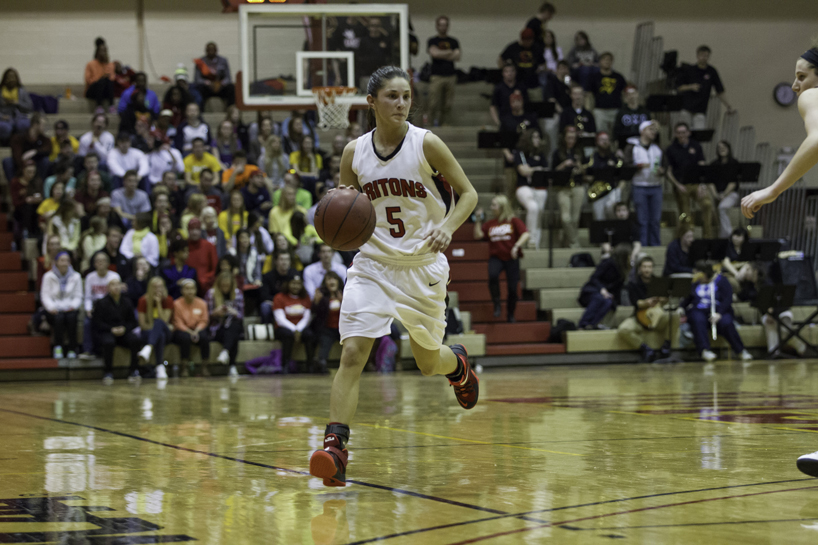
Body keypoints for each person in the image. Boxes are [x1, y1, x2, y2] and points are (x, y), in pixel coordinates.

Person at [308, 66, 479, 488]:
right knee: (352, 354)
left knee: (425, 363)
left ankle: (456, 364)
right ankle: (335, 448)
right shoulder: (354, 153)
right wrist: (338, 229)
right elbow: (346, 205)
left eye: (406, 96)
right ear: (372, 102)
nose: (401, 103)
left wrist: (448, 227)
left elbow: (470, 194)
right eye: (391, 96)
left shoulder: (427, 144)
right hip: (372, 266)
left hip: (422, 267)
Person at [744, 45, 818, 221]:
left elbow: (816, 139)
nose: (794, 86)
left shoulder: (811, 95)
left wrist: (774, 189)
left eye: (802, 77)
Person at [473, 195, 529, 322]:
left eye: (494, 205)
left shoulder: (513, 221)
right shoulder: (490, 224)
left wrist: (516, 246)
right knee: (492, 276)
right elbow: (478, 235)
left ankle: (510, 313)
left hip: (511, 257)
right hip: (496, 257)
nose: (491, 207)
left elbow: (525, 233)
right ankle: (497, 303)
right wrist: (477, 220)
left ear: (502, 207)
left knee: (513, 288)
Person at [682, 260, 751, 363]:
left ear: (705, 273)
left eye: (698, 273)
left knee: (726, 322)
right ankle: (704, 350)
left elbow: (727, 300)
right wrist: (681, 307)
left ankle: (740, 350)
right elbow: (687, 298)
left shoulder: (722, 281)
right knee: (697, 319)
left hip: (719, 311)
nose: (696, 275)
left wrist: (719, 313)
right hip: (700, 310)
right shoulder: (695, 283)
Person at [665, 122, 713, 238]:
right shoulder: (671, 149)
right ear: (675, 134)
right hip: (681, 185)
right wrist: (677, 185)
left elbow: (702, 165)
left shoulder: (696, 146)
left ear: (688, 133)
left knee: (707, 204)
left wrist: (702, 184)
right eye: (678, 133)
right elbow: (668, 171)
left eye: (683, 132)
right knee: (685, 213)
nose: (681, 135)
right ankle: (687, 237)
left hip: (696, 183)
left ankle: (707, 236)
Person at [625, 120, 664, 246]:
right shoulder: (632, 147)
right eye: (650, 129)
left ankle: (655, 245)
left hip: (656, 186)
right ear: (642, 131)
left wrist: (662, 170)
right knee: (642, 219)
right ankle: (643, 245)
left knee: (655, 219)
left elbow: (666, 164)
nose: (653, 132)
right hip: (639, 186)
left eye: (654, 130)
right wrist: (637, 167)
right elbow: (626, 165)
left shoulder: (657, 147)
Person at [676, 45, 732, 129]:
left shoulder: (711, 71)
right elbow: (679, 87)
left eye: (706, 56)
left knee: (699, 133)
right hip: (686, 109)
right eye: (702, 55)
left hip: (700, 110)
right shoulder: (690, 70)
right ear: (697, 56)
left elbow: (720, 90)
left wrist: (728, 105)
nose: (704, 58)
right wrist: (690, 87)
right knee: (684, 131)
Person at [577, 243, 631, 329]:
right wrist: (602, 289)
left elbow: (617, 289)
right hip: (591, 291)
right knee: (600, 298)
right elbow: (594, 278)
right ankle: (583, 323)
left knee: (609, 302)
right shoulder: (608, 262)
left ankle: (592, 324)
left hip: (606, 295)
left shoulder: (623, 270)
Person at [41, 251, 83, 359]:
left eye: (67, 261)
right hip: (54, 308)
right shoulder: (48, 276)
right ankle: (58, 347)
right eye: (62, 260)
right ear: (56, 262)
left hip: (70, 307)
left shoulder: (76, 276)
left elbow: (78, 296)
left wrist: (73, 306)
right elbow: (45, 296)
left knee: (72, 317)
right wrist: (52, 308)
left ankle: (72, 349)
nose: (65, 263)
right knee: (58, 318)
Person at [510, 130, 548, 249]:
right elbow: (523, 171)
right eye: (534, 137)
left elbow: (545, 171)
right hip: (523, 187)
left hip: (539, 187)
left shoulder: (541, 154)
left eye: (538, 137)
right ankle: (531, 239)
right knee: (533, 207)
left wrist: (531, 169)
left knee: (539, 211)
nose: (537, 140)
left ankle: (536, 243)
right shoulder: (519, 154)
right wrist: (537, 169)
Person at [273, 273, 316, 373]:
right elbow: (280, 319)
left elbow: (307, 318)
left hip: (301, 326)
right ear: (288, 284)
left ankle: (310, 365)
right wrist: (294, 330)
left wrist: (298, 330)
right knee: (287, 335)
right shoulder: (279, 297)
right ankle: (285, 365)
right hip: (284, 327)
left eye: (298, 283)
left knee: (309, 335)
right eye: (293, 283)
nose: (296, 286)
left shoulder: (306, 297)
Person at [81, 251, 120, 359]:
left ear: (108, 263)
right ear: (94, 264)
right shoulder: (90, 277)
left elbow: (117, 296)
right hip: (96, 308)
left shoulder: (114, 276)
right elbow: (88, 297)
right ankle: (88, 351)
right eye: (98, 261)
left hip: (110, 308)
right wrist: (88, 310)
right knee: (87, 322)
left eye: (103, 261)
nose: (101, 263)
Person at [551, 125, 586, 248]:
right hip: (562, 188)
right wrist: (564, 164)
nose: (571, 140)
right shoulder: (557, 152)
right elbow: (553, 172)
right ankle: (575, 243)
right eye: (569, 138)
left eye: (573, 138)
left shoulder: (580, 152)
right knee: (566, 218)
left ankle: (568, 244)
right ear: (564, 138)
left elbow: (585, 172)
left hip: (577, 186)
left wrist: (579, 166)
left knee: (575, 219)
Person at [206, 271, 244, 376]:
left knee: (234, 327)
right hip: (217, 328)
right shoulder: (211, 293)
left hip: (233, 326)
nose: (225, 288)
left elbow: (241, 316)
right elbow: (206, 316)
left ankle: (225, 352)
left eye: (227, 286)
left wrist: (234, 312)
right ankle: (232, 365)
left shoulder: (237, 294)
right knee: (233, 335)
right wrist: (215, 313)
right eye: (223, 285)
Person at [136, 277, 174, 378]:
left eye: (161, 287)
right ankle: (160, 366)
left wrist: (158, 304)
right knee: (159, 335)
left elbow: (165, 321)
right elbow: (143, 325)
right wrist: (155, 330)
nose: (158, 290)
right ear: (150, 288)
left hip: (167, 333)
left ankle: (148, 348)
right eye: (155, 287)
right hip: (148, 333)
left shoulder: (168, 299)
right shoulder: (143, 300)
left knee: (159, 323)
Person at [426, 16, 461, 126]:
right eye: (440, 24)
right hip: (436, 76)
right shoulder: (432, 40)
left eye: (445, 24)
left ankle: (445, 124)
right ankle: (430, 125)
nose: (443, 27)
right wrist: (449, 52)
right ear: (437, 26)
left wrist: (440, 54)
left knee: (447, 104)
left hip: (450, 75)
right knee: (433, 103)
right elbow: (434, 54)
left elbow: (457, 56)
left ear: (448, 26)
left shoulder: (454, 41)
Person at [172, 278, 210, 377]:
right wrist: (189, 332)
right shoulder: (177, 304)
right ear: (182, 291)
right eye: (187, 289)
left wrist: (196, 330)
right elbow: (177, 322)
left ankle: (204, 367)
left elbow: (204, 320)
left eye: (192, 289)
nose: (190, 291)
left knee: (205, 338)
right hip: (183, 330)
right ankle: (184, 367)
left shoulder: (202, 303)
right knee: (184, 338)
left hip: (197, 329)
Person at [310, 271, 344, 375]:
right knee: (325, 343)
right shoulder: (321, 297)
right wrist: (316, 302)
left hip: (342, 329)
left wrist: (343, 302)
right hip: (327, 329)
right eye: (328, 279)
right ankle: (321, 364)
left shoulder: (345, 294)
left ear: (338, 282)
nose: (331, 281)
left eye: (334, 279)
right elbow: (314, 312)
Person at [707, 140, 741, 237]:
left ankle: (730, 235)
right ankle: (722, 237)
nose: (722, 149)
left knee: (722, 208)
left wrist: (724, 194)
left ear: (728, 149)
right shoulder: (714, 164)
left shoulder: (734, 163)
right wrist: (715, 195)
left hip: (731, 194)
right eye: (719, 148)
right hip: (717, 194)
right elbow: (710, 182)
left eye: (724, 147)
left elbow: (733, 183)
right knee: (717, 215)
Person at [585, 131, 621, 221]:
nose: (605, 142)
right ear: (597, 142)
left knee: (613, 218)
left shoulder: (614, 157)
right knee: (599, 219)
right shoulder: (591, 158)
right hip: (598, 193)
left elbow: (621, 175)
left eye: (606, 140)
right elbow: (586, 175)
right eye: (602, 140)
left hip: (612, 191)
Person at [589, 52, 627, 136]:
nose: (607, 62)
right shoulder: (594, 77)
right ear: (600, 62)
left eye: (609, 60)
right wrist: (591, 109)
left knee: (616, 134)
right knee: (601, 134)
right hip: (600, 111)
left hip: (616, 110)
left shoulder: (619, 77)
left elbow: (624, 93)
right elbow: (589, 95)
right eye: (604, 59)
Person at [260, 251, 297, 324]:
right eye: (282, 259)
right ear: (276, 261)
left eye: (287, 259)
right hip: (273, 302)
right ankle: (268, 330)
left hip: (292, 302)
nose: (284, 262)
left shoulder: (294, 274)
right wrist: (280, 302)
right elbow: (264, 296)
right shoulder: (268, 276)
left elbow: (299, 292)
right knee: (265, 307)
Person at [194, 42, 235, 107]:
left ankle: (230, 109)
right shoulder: (201, 62)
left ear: (216, 50)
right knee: (197, 88)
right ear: (206, 51)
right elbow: (197, 79)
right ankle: (200, 110)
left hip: (220, 87)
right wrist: (208, 83)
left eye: (213, 50)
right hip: (207, 88)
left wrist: (221, 83)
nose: (211, 52)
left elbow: (228, 78)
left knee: (231, 88)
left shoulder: (223, 61)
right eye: (209, 50)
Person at [489, 64, 529, 130]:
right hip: (506, 119)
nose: (509, 74)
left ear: (515, 72)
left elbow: (527, 104)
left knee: (527, 125)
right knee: (512, 127)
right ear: (503, 73)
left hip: (520, 118)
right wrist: (498, 122)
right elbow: (493, 106)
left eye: (511, 71)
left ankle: (523, 132)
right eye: (506, 71)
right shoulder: (499, 88)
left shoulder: (521, 87)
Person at [10, 159, 43, 238]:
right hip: (20, 210)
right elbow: (15, 202)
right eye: (29, 172)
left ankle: (38, 233)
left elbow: (42, 197)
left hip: (35, 209)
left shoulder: (38, 181)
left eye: (33, 172)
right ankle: (28, 232)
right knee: (28, 207)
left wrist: (38, 200)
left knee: (37, 209)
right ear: (23, 170)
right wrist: (25, 200)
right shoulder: (15, 182)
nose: (31, 174)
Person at [0, 68, 33, 143]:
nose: (11, 79)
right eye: (8, 77)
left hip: (20, 116)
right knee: (4, 127)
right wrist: (2, 116)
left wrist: (17, 102)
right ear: (5, 79)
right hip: (4, 118)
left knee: (24, 125)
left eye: (13, 77)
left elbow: (29, 107)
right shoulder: (0, 92)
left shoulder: (22, 91)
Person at [186, 218, 218, 294]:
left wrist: (204, 279)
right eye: (192, 229)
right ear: (188, 230)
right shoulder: (183, 246)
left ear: (201, 231)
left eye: (197, 229)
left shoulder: (209, 246)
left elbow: (215, 268)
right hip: (187, 287)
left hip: (205, 287)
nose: (194, 232)